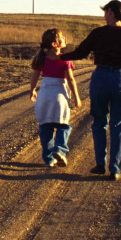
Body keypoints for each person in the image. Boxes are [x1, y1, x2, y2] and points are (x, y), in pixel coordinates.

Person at [60, 0, 121, 180]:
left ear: (111, 12)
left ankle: (100, 164)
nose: (104, 16)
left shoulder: (98, 33)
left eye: (105, 12)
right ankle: (115, 169)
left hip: (100, 77)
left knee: (99, 122)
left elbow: (80, 53)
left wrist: (59, 57)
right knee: (119, 125)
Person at [29, 28, 82, 167]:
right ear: (54, 44)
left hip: (45, 95)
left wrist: (32, 90)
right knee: (63, 125)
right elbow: (70, 79)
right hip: (59, 95)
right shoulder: (65, 59)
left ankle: (48, 158)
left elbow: (35, 76)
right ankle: (59, 149)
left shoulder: (41, 58)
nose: (64, 39)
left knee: (46, 127)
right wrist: (77, 97)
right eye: (61, 38)